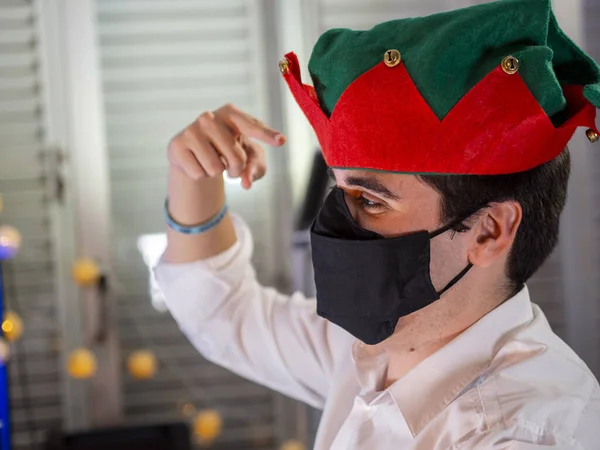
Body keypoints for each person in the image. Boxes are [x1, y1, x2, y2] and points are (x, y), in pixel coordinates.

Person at [154, 0, 600, 448]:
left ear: (488, 231)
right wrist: (193, 172)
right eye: (339, 190)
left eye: (370, 199)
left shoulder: (527, 434)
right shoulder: (372, 350)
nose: (334, 222)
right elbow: (226, 315)